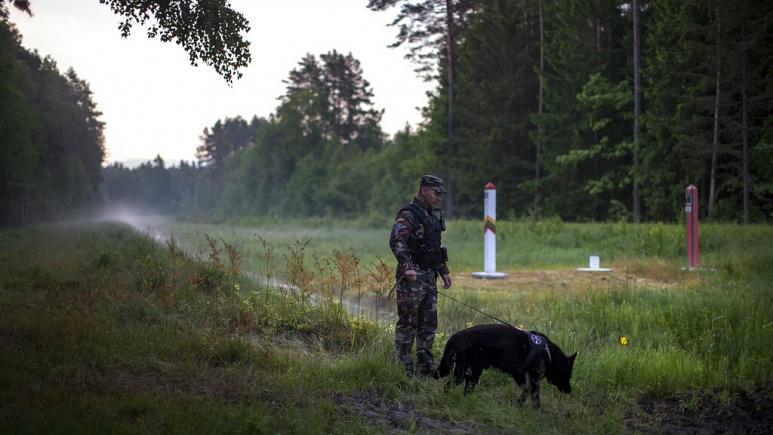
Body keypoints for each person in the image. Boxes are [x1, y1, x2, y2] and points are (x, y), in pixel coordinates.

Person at [389, 175, 452, 376]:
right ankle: (403, 365)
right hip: (412, 277)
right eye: (436, 193)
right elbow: (397, 241)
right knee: (409, 322)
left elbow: (433, 246)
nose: (439, 197)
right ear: (424, 190)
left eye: (440, 194)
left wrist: (443, 271)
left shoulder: (432, 214)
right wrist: (407, 266)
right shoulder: (408, 214)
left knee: (429, 322)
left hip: (430, 276)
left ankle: (425, 364)